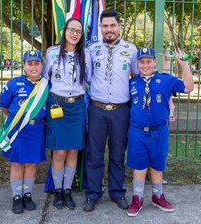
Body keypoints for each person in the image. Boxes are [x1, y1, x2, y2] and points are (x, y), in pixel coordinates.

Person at [83, 9, 140, 212]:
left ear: (119, 27)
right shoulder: (91, 49)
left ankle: (117, 193)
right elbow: (86, 78)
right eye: (105, 26)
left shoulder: (131, 50)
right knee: (94, 154)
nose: (109, 29)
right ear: (101, 28)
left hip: (120, 111)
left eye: (112, 25)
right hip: (96, 109)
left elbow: (139, 77)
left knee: (117, 154)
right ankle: (93, 194)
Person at [126, 46, 194, 217]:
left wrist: (184, 65)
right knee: (139, 164)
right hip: (137, 132)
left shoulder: (165, 80)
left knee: (157, 163)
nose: (145, 65)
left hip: (159, 132)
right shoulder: (132, 82)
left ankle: (158, 196)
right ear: (137, 64)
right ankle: (137, 197)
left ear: (154, 62)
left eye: (148, 61)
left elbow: (188, 87)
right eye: (141, 62)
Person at [42, 17, 91, 210]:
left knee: (73, 151)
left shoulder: (86, 54)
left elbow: (90, 79)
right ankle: (58, 190)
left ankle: (67, 190)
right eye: (71, 29)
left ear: (81, 35)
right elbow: (46, 78)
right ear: (65, 30)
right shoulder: (52, 52)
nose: (74, 34)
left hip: (77, 107)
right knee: (59, 151)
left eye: (78, 31)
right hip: (57, 107)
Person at [0, 50, 48, 214]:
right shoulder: (14, 84)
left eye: (37, 63)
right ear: (24, 66)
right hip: (17, 131)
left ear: (42, 65)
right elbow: (3, 106)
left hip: (36, 130)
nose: (33, 67)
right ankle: (16, 197)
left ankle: (27, 194)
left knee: (31, 163)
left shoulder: (47, 86)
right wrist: (16, 120)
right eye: (29, 63)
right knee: (17, 163)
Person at [162, 50, 176, 122]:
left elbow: (162, 72)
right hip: (165, 83)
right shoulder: (166, 63)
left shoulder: (167, 63)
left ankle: (171, 115)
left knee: (169, 101)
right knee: (168, 100)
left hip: (166, 84)